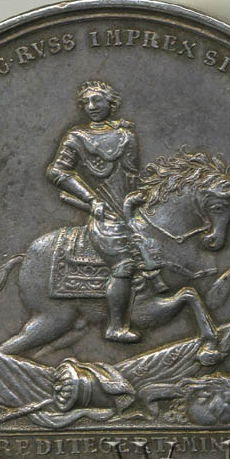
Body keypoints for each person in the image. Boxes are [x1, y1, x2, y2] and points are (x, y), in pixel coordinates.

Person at [46, 81, 142, 342]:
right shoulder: (76, 137)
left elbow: (133, 175)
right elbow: (57, 171)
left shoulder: (126, 135)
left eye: (97, 100)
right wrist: (90, 199)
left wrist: (140, 197)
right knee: (124, 264)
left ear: (111, 103)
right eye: (86, 102)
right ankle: (116, 327)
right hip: (104, 214)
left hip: (130, 210)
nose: (91, 106)